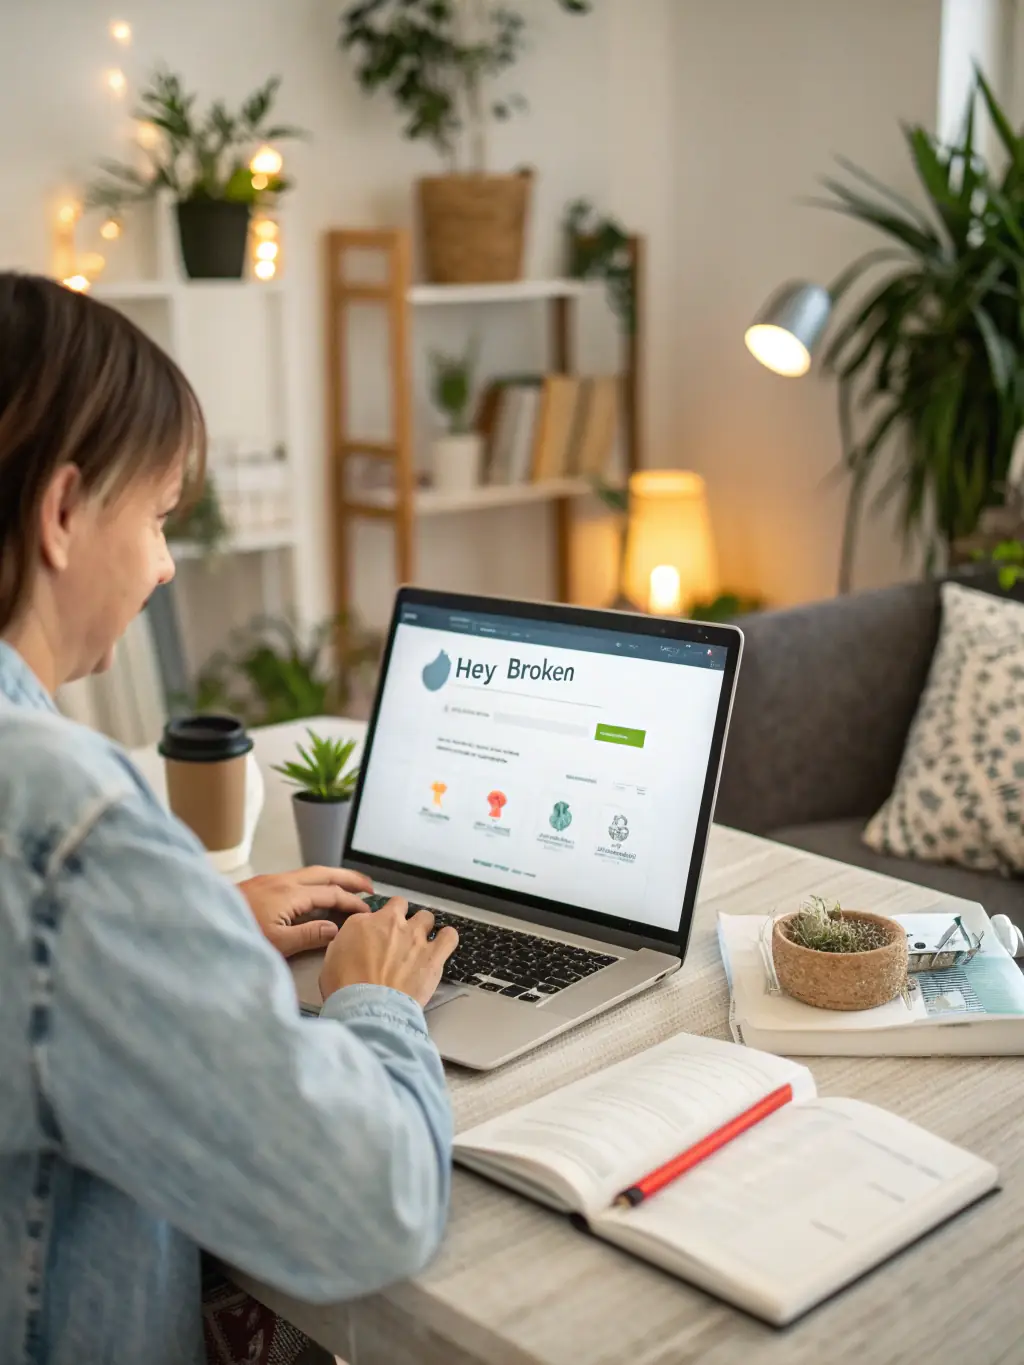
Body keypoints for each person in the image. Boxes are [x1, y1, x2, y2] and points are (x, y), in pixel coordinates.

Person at [0, 272, 459, 1365]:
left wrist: (186, 926)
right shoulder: (63, 821)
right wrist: (376, 999)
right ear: (61, 512)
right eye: (158, 517)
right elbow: (376, 1205)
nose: (164, 565)